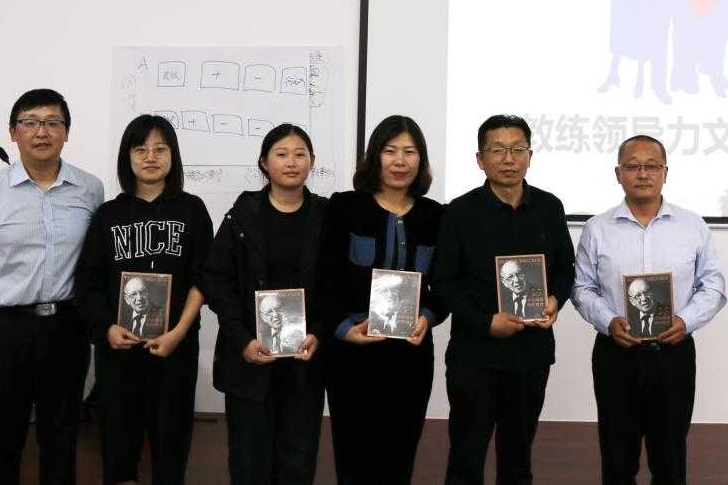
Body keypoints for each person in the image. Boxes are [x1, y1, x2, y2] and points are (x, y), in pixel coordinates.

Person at [0, 88, 104, 485]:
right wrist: (0, 303)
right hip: (4, 331)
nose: (42, 132)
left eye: (53, 123)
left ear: (66, 132)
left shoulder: (90, 189)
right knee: (2, 442)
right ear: (13, 131)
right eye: (31, 123)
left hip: (66, 329)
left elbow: (94, 261)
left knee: (61, 440)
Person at [572, 135, 726, 485]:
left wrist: (686, 321)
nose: (642, 174)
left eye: (652, 166)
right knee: (617, 460)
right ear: (618, 173)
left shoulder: (692, 226)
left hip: (673, 353)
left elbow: (713, 285)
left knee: (670, 461)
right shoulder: (597, 228)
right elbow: (581, 288)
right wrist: (608, 321)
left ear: (665, 172)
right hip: (615, 354)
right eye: (633, 166)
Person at [435, 114, 575, 485]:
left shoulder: (549, 207)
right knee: (465, 460)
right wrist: (486, 322)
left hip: (531, 355)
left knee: (517, 462)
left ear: (530, 155)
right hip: (474, 355)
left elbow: (566, 267)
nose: (508, 159)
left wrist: (555, 300)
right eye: (497, 150)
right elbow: (444, 282)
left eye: (517, 149)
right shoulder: (459, 212)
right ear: (480, 159)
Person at [74, 114, 213, 485]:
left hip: (175, 348)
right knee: (118, 445)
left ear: (173, 156)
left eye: (160, 149)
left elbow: (204, 278)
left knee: (172, 445)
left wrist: (179, 332)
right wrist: (106, 328)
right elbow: (87, 283)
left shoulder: (193, 210)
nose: (151, 157)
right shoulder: (108, 215)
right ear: (128, 157)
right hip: (118, 352)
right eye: (141, 149)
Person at [201, 124, 332, 485]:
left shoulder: (326, 216)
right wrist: (242, 339)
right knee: (249, 462)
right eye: (281, 154)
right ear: (264, 162)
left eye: (300, 154)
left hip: (304, 362)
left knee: (297, 461)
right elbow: (216, 279)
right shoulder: (242, 214)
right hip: (249, 360)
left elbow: (336, 285)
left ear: (312, 161)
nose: (292, 162)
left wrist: (319, 332)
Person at [324, 115, 445, 485]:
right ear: (375, 156)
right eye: (390, 151)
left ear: (421, 160)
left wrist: (428, 316)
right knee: (354, 455)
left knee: (400, 455)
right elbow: (325, 277)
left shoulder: (436, 215)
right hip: (353, 353)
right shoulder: (344, 207)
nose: (400, 161)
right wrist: (343, 329)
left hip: (410, 354)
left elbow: (445, 285)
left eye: (410, 152)